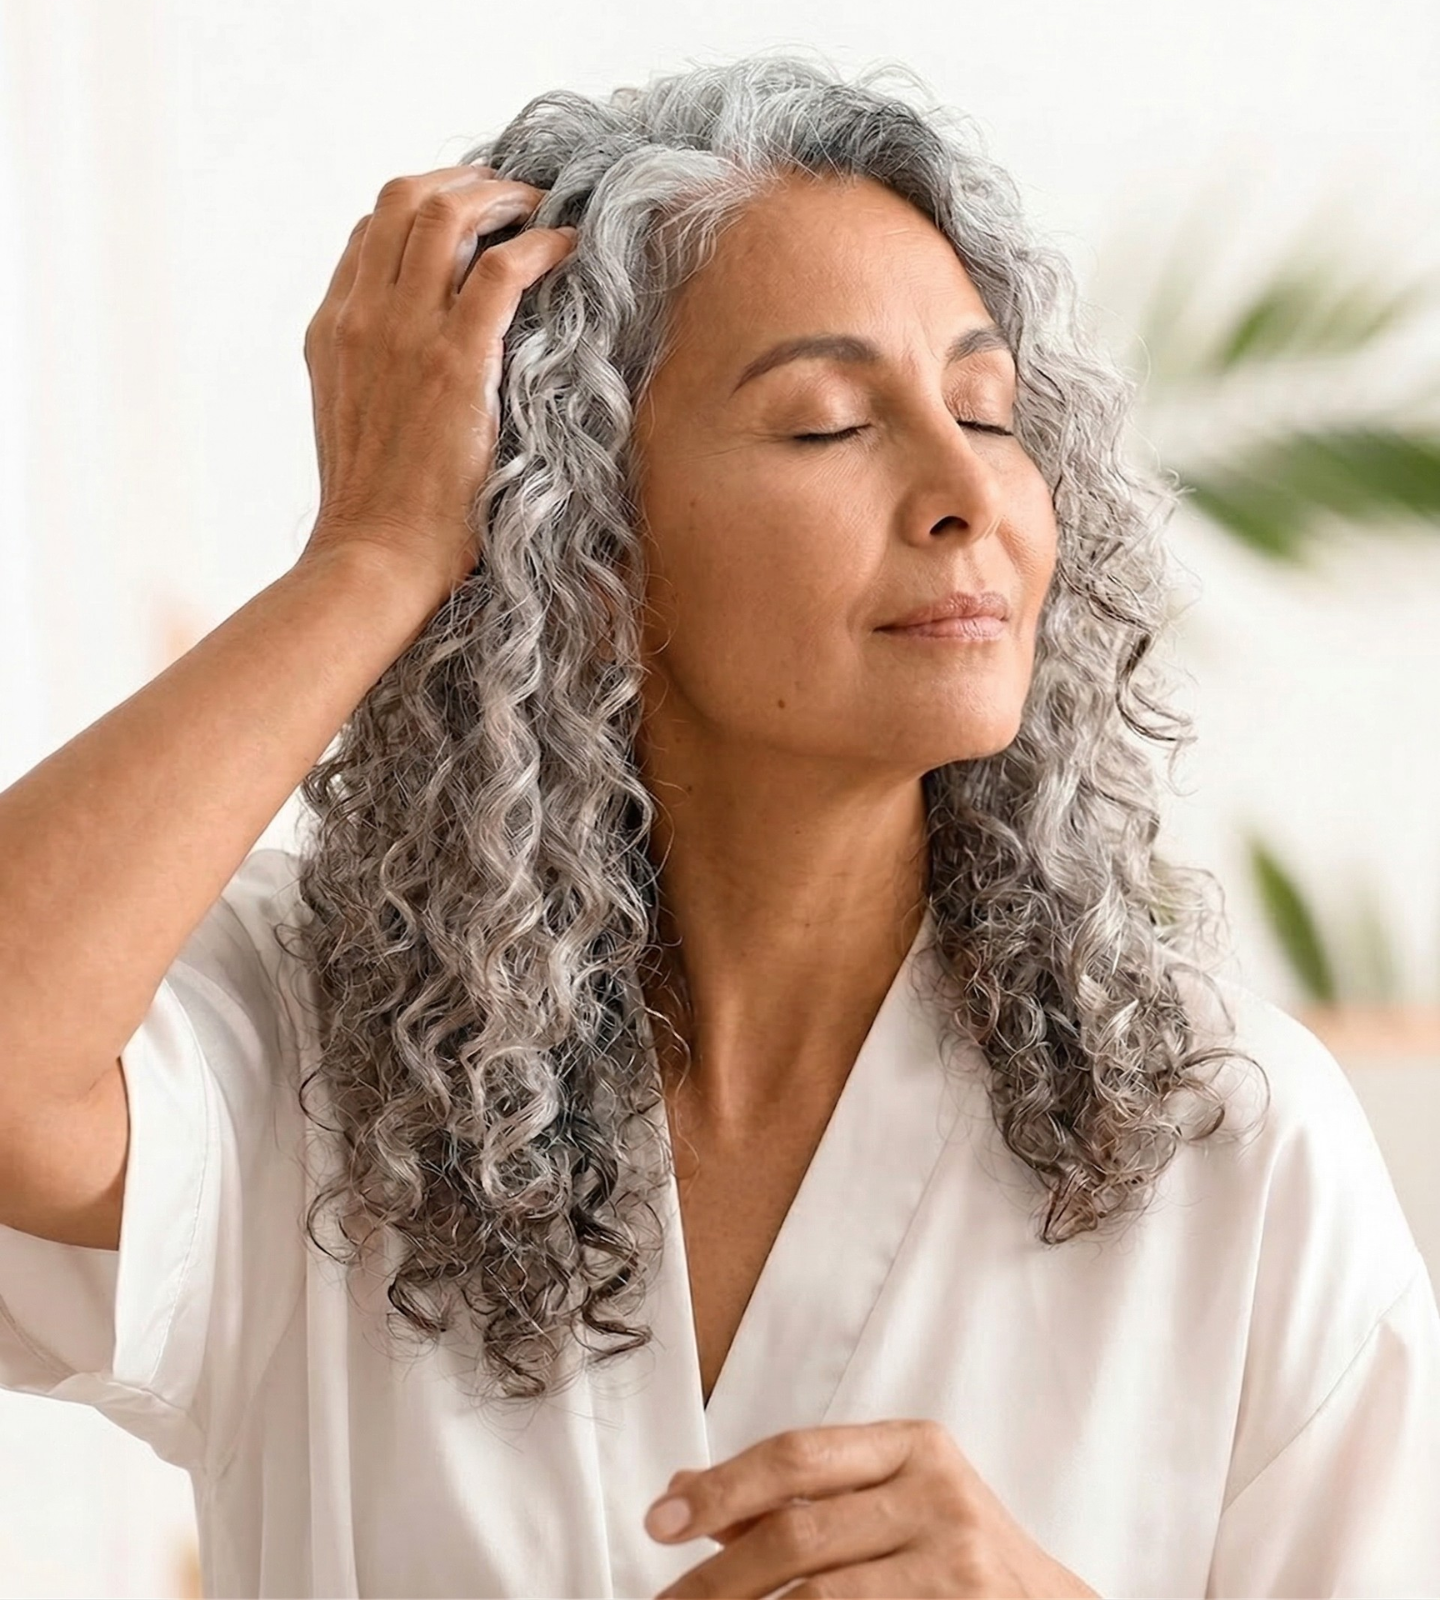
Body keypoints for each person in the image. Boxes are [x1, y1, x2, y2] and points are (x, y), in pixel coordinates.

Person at [1, 52, 1437, 1600]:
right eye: (827, 425)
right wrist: (378, 549)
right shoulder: (306, 1062)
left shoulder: (1235, 1143)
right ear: (585, 551)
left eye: (988, 411)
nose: (967, 491)